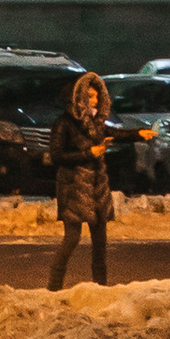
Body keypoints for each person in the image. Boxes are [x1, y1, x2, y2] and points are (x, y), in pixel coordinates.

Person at [46, 70, 115, 289]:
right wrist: (89, 154)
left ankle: (101, 287)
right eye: (91, 96)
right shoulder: (65, 123)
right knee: (72, 238)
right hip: (74, 188)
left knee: (100, 243)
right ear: (80, 98)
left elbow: (115, 133)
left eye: (97, 96)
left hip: (96, 189)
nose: (96, 100)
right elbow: (57, 155)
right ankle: (54, 286)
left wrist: (139, 133)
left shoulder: (97, 122)